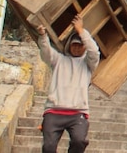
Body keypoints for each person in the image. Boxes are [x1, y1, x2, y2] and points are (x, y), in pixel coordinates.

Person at [36, 13, 100, 153]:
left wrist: (81, 31)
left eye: (80, 45)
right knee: (48, 147)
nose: (77, 48)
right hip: (54, 110)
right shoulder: (59, 60)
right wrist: (42, 35)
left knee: (79, 141)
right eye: (74, 45)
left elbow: (94, 52)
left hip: (78, 113)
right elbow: (46, 52)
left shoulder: (88, 65)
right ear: (69, 46)